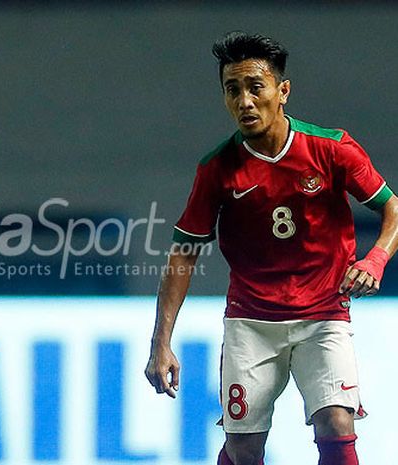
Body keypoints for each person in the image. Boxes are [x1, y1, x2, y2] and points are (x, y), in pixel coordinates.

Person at [145, 31, 398, 465]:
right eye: (232, 89)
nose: (244, 100)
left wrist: (375, 259)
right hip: (251, 322)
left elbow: (393, 208)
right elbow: (183, 253)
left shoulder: (330, 148)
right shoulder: (217, 169)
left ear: (282, 91)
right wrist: (160, 342)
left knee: (337, 424)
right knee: (244, 448)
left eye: (254, 87)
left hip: (324, 314)